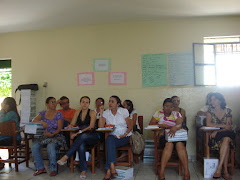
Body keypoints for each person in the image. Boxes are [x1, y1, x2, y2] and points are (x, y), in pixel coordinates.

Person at [57, 96, 99, 180]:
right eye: (83, 102)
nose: (85, 104)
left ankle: (66, 156)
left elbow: (91, 127)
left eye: (87, 102)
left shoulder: (92, 112)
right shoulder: (77, 112)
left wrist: (77, 133)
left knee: (82, 136)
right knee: (81, 144)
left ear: (89, 104)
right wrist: (69, 127)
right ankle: (83, 170)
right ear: (80, 103)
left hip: (92, 136)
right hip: (81, 137)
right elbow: (72, 123)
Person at [149, 98, 190, 180]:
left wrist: (175, 127)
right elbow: (151, 123)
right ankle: (161, 172)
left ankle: (186, 172)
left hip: (177, 137)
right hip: (164, 137)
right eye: (167, 106)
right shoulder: (159, 112)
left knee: (179, 145)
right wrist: (161, 125)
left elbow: (179, 124)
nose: (169, 108)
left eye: (171, 106)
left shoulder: (176, 114)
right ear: (163, 106)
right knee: (169, 144)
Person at [98, 96, 132, 180]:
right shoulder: (106, 112)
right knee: (110, 140)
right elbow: (100, 127)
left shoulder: (123, 111)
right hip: (113, 137)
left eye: (112, 101)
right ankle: (111, 168)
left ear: (118, 104)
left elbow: (130, 126)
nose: (110, 103)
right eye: (109, 101)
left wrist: (124, 134)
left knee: (109, 142)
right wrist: (101, 113)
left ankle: (109, 170)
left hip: (124, 137)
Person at [31, 97, 64, 177]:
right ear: (47, 104)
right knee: (34, 146)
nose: (54, 104)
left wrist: (52, 134)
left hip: (56, 136)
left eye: (55, 102)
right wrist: (41, 122)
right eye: (52, 102)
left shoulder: (59, 114)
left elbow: (60, 128)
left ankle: (53, 169)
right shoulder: (43, 113)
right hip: (45, 137)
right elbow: (33, 120)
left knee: (51, 146)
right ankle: (40, 168)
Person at [206, 93, 234, 180]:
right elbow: (208, 123)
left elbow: (228, 127)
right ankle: (225, 171)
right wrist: (222, 126)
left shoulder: (228, 111)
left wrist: (217, 129)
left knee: (226, 139)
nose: (212, 101)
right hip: (216, 137)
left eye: (214, 99)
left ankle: (219, 169)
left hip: (226, 133)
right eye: (211, 100)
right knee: (226, 142)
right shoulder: (210, 111)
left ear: (220, 100)